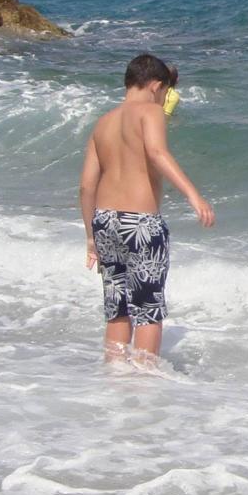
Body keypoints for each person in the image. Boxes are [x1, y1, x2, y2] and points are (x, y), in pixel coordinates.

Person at [78, 54, 216, 362]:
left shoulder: (103, 123)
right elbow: (156, 152)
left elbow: (86, 186)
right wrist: (194, 195)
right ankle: (144, 383)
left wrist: (90, 237)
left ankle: (114, 375)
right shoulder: (151, 112)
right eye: (166, 92)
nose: (165, 99)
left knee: (117, 309)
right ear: (156, 86)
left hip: (104, 222)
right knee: (147, 310)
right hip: (141, 223)